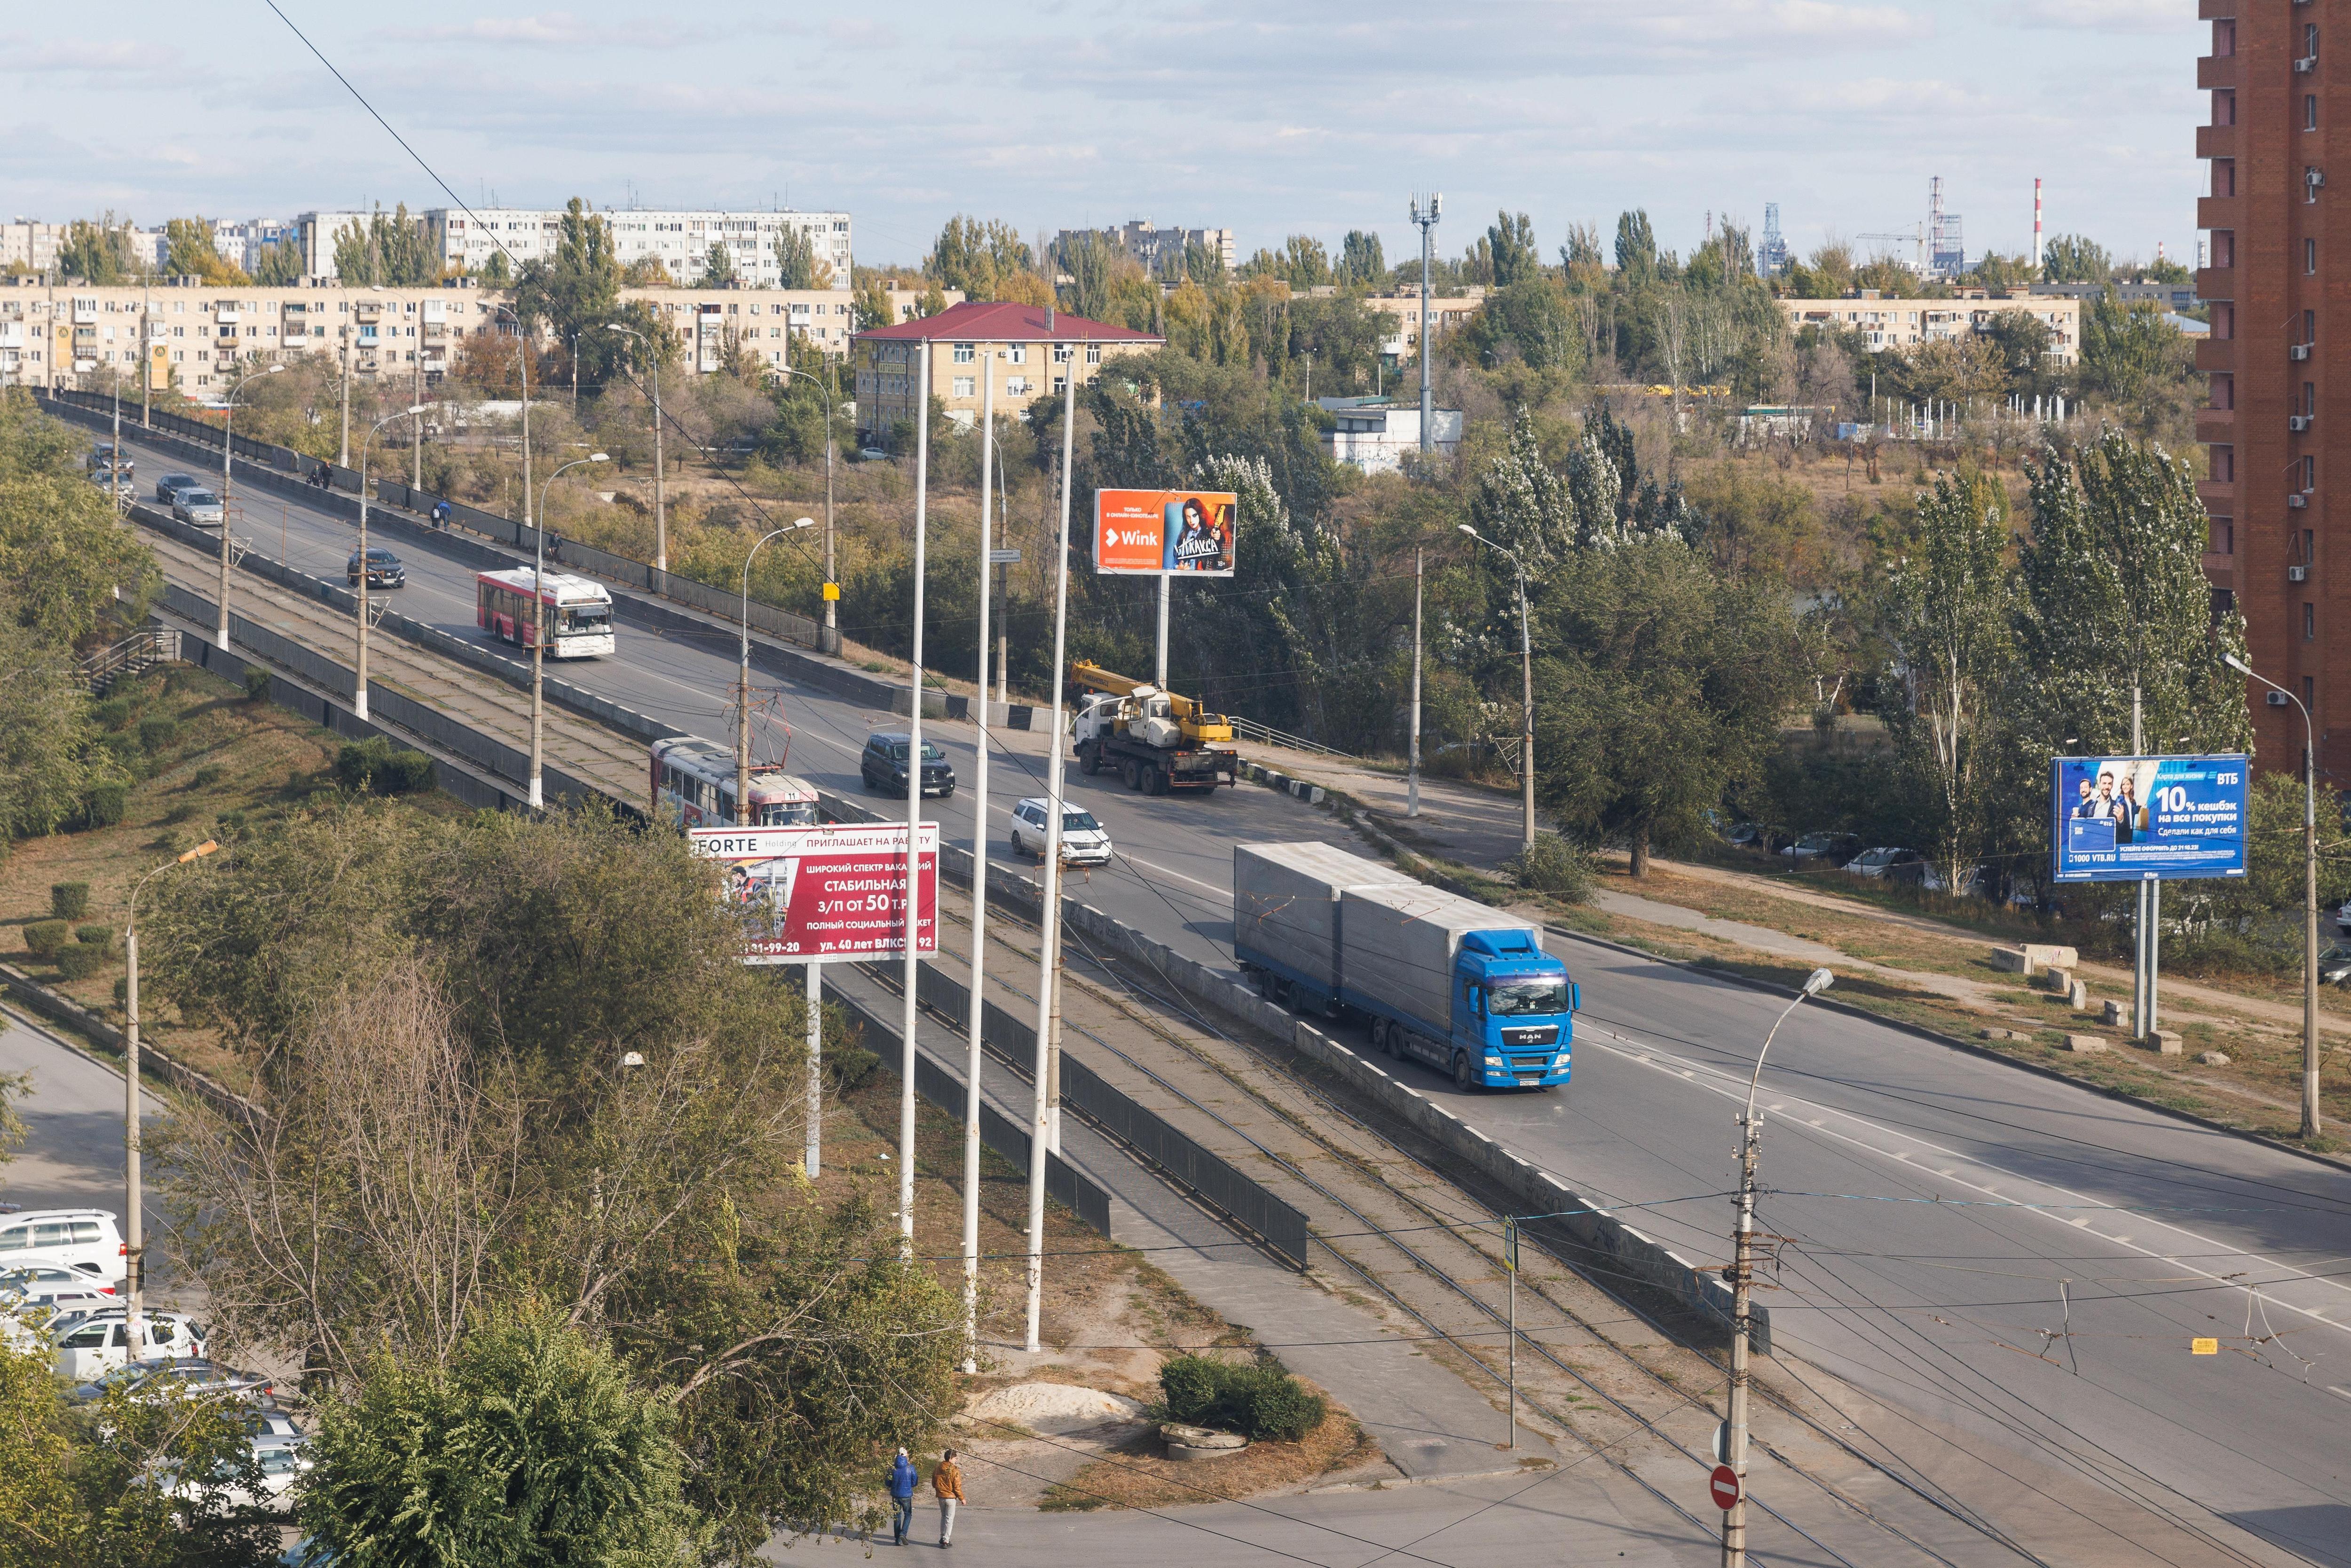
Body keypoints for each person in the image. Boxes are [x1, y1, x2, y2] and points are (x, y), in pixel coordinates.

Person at [933, 1448, 965, 1547]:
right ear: (951, 1459)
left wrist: (940, 1489)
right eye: (955, 1458)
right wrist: (962, 1498)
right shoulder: (955, 1470)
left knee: (943, 1517)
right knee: (949, 1519)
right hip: (951, 1497)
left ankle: (942, 1536)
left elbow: (934, 1483)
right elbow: (957, 1487)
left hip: (941, 1496)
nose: (956, 1460)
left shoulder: (938, 1468)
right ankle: (946, 1540)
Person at [887, 1449, 917, 1546]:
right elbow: (915, 1482)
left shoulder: (892, 1468)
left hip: (896, 1495)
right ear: (906, 1456)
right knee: (908, 1514)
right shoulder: (911, 1468)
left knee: (897, 1516)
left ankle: (898, 1539)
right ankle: (903, 1533)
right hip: (906, 1495)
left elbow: (888, 1482)